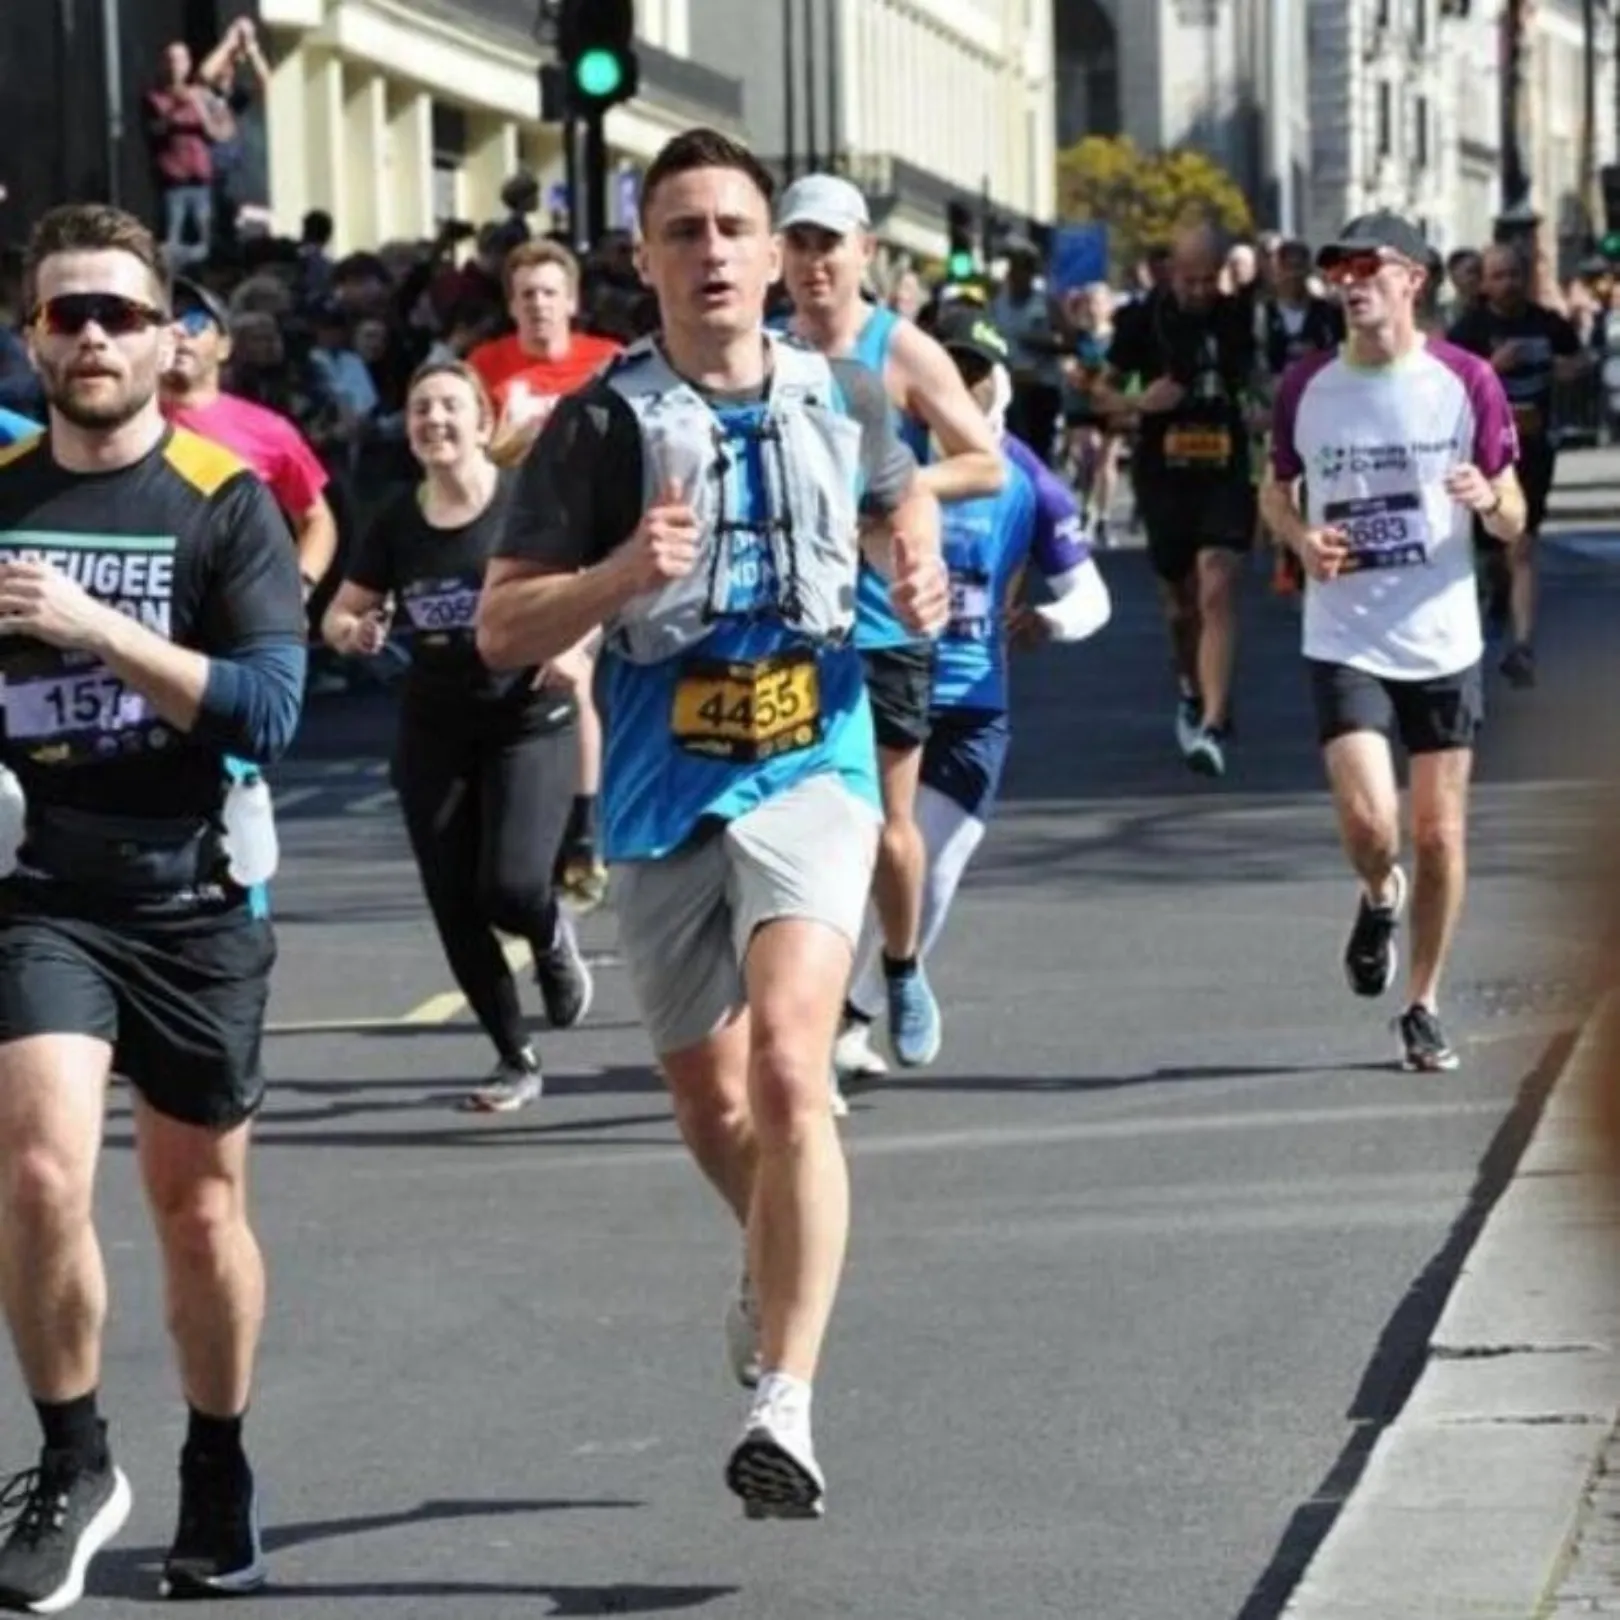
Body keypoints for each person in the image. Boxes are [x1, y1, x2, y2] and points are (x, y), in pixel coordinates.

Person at [476, 127, 946, 1520]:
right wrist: (621, 572)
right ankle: (771, 1254)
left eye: (736, 227)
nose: (717, 253)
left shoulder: (843, 391)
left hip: (815, 750)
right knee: (711, 1095)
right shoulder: (601, 424)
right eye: (683, 231)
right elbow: (503, 626)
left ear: (777, 249)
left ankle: (785, 1404)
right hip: (661, 776)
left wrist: (911, 558)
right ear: (646, 258)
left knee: (798, 1069)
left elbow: (898, 496)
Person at [0, 203, 307, 1610]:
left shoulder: (219, 498)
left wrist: (96, 630)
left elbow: (270, 707)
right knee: (43, 1165)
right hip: (40, 887)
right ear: (31, 337)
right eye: (69, 315)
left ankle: (218, 1458)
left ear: (167, 334)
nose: (96, 337)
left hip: (194, 888)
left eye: (121, 314)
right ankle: (71, 1461)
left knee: (195, 1206)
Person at [1261, 212, 1525, 1072]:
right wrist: (1301, 540)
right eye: (1339, 269)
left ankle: (1422, 1002)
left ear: (1413, 279)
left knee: (1441, 832)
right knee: (1375, 823)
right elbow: (1274, 493)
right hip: (1346, 632)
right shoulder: (1306, 385)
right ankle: (1380, 890)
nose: (1350, 281)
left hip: (1444, 635)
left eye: (1369, 266)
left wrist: (1487, 497)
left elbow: (1517, 515)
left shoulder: (1466, 382)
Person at [838, 310, 1112, 1078]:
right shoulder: (881, 453)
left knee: (935, 867)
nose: (960, 383)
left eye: (975, 371)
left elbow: (1092, 598)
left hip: (970, 696)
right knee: (857, 857)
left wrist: (1048, 624)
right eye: (946, 366)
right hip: (877, 674)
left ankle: (863, 1003)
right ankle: (832, 1006)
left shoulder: (1026, 476)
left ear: (999, 384)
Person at [321, 361, 592, 1113]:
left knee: (506, 886)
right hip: (436, 724)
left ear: (481, 420)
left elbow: (595, 585)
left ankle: (548, 930)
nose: (434, 421)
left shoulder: (526, 505)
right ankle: (515, 1055)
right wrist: (355, 630)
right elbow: (338, 614)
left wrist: (576, 645)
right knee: (452, 898)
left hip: (527, 719)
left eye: (448, 407)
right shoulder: (396, 520)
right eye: (419, 410)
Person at [777, 172, 1002, 1071]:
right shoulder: (764, 349)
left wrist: (896, 490)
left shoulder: (898, 349)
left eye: (829, 244)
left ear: (864, 252)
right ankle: (802, 1000)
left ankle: (901, 967)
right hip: (789, 626)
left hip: (883, 621)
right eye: (797, 243)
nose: (813, 262)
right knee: (791, 823)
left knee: (882, 825)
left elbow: (983, 465)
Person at [466, 241, 622, 914]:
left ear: (572, 300)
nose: (538, 305)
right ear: (511, 304)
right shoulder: (488, 366)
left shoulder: (610, 361)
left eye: (550, 292)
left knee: (574, 674)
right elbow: (475, 454)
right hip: (513, 542)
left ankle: (583, 834)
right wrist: (514, 435)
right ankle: (519, 826)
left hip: (589, 543)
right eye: (526, 293)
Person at [1094, 225, 1262, 778]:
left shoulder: (1238, 316)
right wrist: (1140, 401)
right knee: (1179, 606)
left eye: (1207, 280)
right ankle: (1192, 689)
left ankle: (1213, 723)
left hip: (1225, 468)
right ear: (1170, 272)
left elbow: (1259, 380)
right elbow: (1099, 392)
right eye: (1188, 280)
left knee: (1217, 585)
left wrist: (1268, 405)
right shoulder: (1142, 320)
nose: (1197, 290)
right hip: (1164, 475)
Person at [1446, 242, 1589, 688]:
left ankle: (1523, 646)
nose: (1507, 283)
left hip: (1534, 445)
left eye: (1514, 274)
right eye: (1498, 275)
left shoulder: (1547, 324)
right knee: (1493, 550)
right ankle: (1496, 592)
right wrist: (1491, 367)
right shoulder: (1470, 329)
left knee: (1523, 545)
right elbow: (1447, 388)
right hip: (1483, 451)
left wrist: (1572, 368)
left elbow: (1579, 357)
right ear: (1484, 283)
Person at [159, 277, 338, 604]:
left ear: (225, 345)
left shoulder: (270, 429)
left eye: (195, 322)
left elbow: (316, 518)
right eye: (164, 321)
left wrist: (297, 588)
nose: (179, 332)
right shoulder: (114, 423)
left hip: (237, 614)